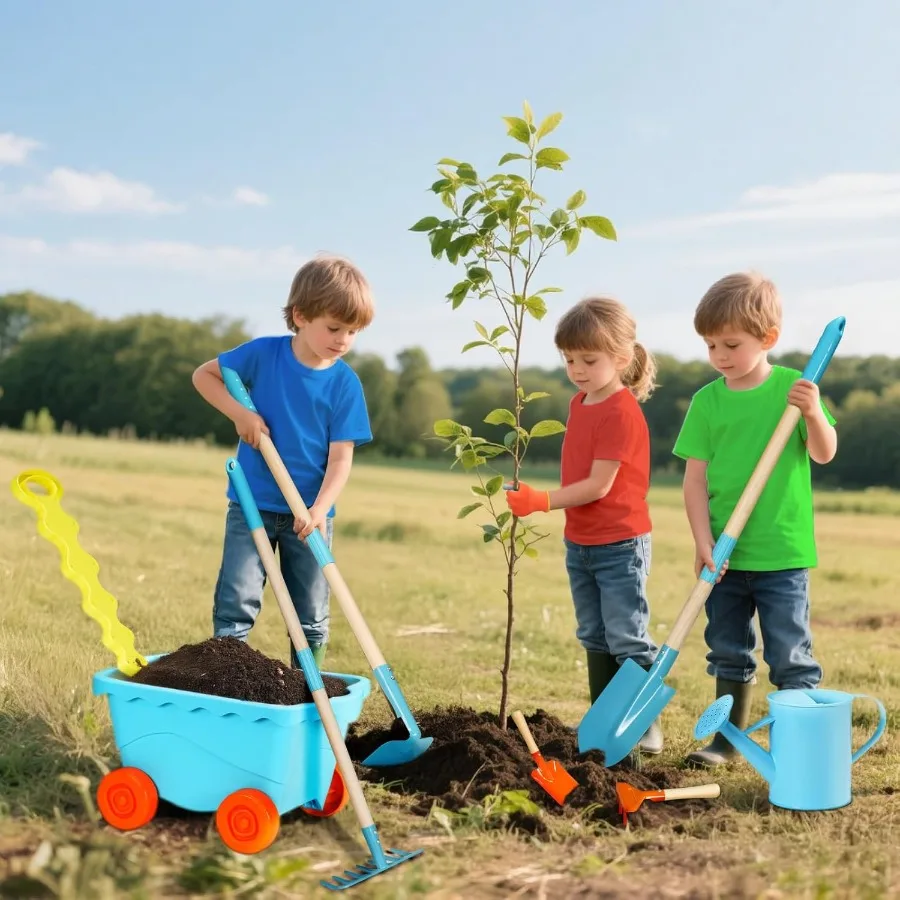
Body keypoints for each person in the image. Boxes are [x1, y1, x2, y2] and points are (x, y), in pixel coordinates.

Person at [673, 271, 838, 768]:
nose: (719, 355)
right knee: (727, 650)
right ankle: (726, 742)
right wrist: (703, 541)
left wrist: (813, 414)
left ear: (768, 338)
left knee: (790, 656)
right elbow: (694, 481)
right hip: (724, 556)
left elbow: (824, 453)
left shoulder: (794, 389)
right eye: (710, 345)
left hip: (781, 553)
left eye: (731, 344)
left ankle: (798, 748)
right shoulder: (707, 402)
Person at [192, 254, 374, 668]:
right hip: (251, 505)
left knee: (310, 613)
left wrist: (319, 510)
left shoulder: (345, 384)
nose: (343, 340)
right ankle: (227, 677)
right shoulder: (263, 355)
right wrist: (240, 414)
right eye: (334, 327)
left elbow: (340, 460)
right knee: (236, 601)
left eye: (353, 331)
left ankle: (308, 688)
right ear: (300, 315)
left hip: (309, 516)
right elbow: (204, 375)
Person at [504, 297, 663, 755]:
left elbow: (597, 486)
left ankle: (642, 724)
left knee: (627, 637)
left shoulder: (621, 411)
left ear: (622, 358)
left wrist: (541, 501)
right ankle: (602, 721)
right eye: (569, 359)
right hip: (582, 542)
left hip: (620, 543)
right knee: (594, 634)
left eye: (588, 360)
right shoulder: (580, 402)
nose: (576, 369)